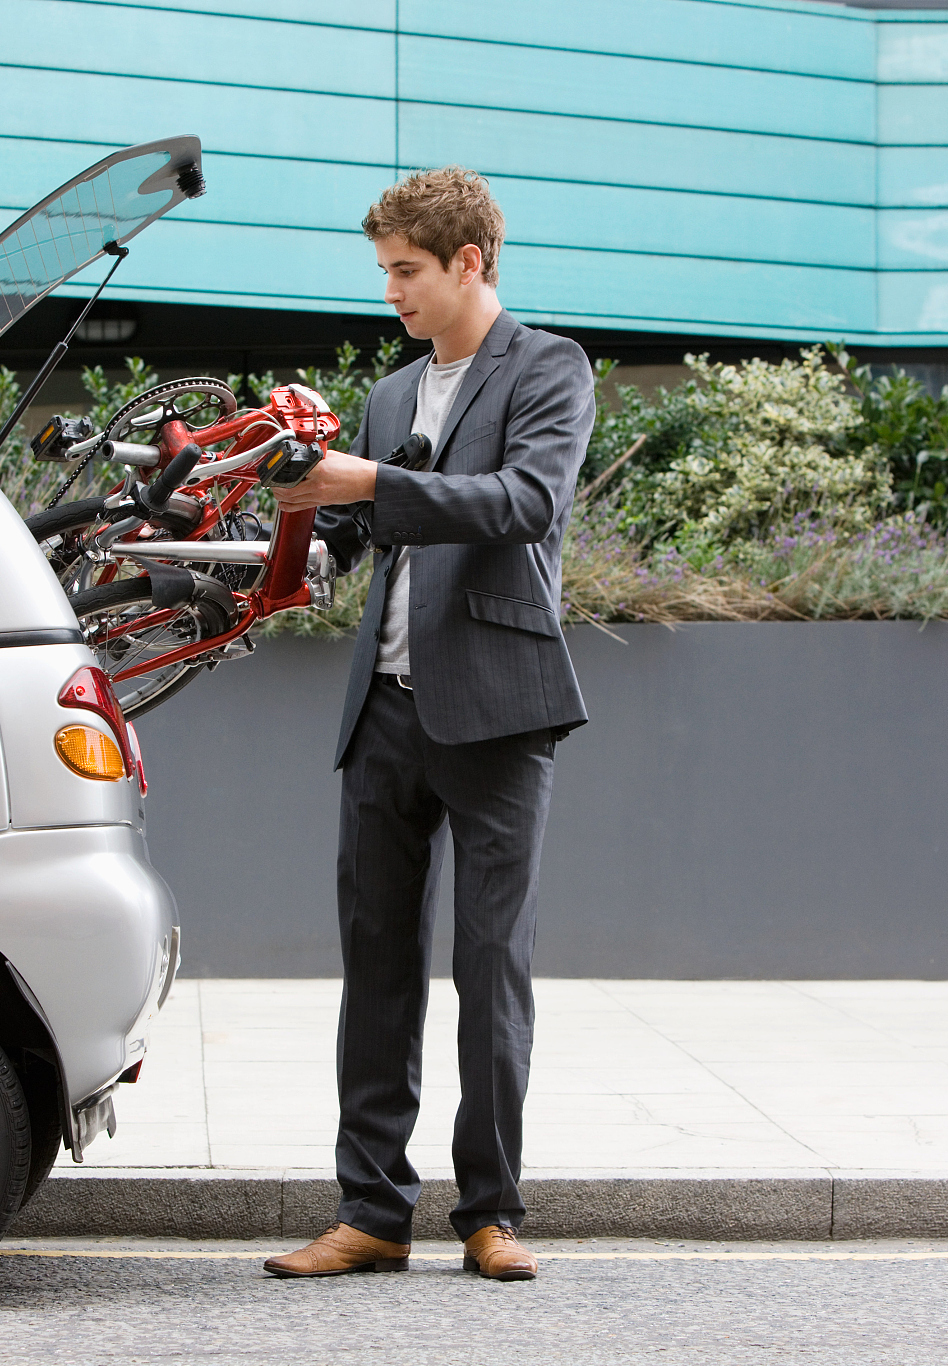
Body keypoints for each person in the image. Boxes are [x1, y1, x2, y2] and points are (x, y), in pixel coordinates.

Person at [262, 167, 594, 1283]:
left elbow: (521, 504)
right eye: (383, 273)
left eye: (405, 271)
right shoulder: (389, 396)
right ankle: (370, 1213)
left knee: (489, 965)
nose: (390, 292)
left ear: (468, 262)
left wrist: (366, 484)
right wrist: (290, 547)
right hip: (385, 715)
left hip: (498, 713)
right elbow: (364, 540)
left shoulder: (549, 367)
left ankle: (490, 1212)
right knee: (377, 966)